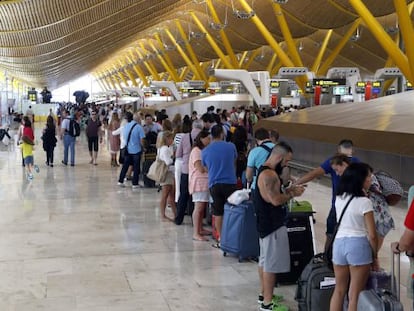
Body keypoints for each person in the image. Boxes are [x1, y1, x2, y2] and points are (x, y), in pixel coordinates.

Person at [255, 142, 305, 311]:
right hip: (272, 225)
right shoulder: (269, 175)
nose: (286, 164)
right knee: (271, 264)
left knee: (264, 260)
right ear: (279, 157)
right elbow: (276, 200)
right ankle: (267, 304)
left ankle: (264, 294)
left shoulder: (263, 170)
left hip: (264, 223)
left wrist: (287, 189)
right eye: (286, 160)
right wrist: (292, 193)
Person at [330, 163, 378, 311]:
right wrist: (374, 256)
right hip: (358, 246)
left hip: (338, 245)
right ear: (360, 179)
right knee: (355, 294)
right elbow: (372, 235)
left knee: (339, 290)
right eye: (369, 176)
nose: (371, 180)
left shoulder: (339, 198)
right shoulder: (365, 202)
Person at [294, 139, 360, 248]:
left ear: (338, 150)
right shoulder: (357, 162)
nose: (338, 173)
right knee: (349, 235)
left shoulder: (333, 161)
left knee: (330, 233)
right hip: (353, 206)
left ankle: (327, 257)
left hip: (338, 205)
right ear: (353, 150)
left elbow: (314, 174)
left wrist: (296, 183)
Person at [331, 154, 394, 256]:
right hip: (370, 215)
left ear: (343, 164)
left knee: (374, 237)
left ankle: (373, 259)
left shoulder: (361, 174)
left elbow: (374, 235)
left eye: (337, 170)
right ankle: (372, 259)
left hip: (378, 213)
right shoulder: (352, 177)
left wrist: (374, 256)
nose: (337, 173)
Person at [201, 124, 237, 248]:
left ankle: (222, 239)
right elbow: (234, 161)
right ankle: (233, 237)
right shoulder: (231, 146)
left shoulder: (205, 150)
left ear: (211, 135)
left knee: (218, 212)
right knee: (232, 210)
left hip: (214, 184)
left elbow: (204, 167)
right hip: (230, 183)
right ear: (222, 134)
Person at [175, 119, 203, 225]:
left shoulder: (184, 137)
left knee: (183, 194)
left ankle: (179, 219)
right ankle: (194, 221)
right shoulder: (203, 137)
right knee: (195, 197)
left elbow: (178, 154)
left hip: (186, 170)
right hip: (198, 171)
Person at [189, 130, 212, 240]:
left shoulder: (202, 150)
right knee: (198, 208)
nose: (209, 141)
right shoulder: (196, 151)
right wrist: (211, 168)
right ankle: (195, 233)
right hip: (199, 182)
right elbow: (200, 168)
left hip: (204, 182)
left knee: (202, 207)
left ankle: (200, 229)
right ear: (202, 139)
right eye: (208, 138)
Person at [117, 111, 145, 188]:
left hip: (127, 149)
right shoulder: (139, 127)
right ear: (138, 119)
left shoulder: (126, 126)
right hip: (136, 150)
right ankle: (135, 183)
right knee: (136, 167)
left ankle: (120, 181)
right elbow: (142, 140)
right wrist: (144, 147)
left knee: (125, 166)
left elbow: (124, 137)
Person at [157, 131, 177, 221]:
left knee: (170, 195)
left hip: (168, 173)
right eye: (171, 138)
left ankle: (175, 213)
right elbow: (168, 162)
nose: (172, 140)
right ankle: (163, 215)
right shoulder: (165, 149)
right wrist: (173, 157)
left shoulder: (161, 148)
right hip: (167, 173)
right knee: (166, 195)